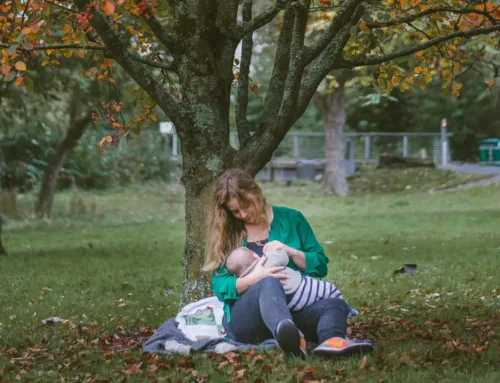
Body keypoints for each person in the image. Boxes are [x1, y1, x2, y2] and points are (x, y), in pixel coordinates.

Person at [203, 168, 373, 357]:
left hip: (294, 313)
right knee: (268, 281)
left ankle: (330, 341)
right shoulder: (229, 232)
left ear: (256, 192)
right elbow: (219, 285)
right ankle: (289, 337)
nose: (242, 214)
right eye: (235, 211)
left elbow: (320, 265)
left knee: (335, 303)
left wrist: (290, 251)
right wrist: (255, 278)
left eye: (246, 205)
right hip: (248, 320)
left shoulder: (292, 218)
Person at [226, 247, 355, 312]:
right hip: (301, 288)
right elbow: (283, 257)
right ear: (255, 256)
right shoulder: (265, 261)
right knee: (329, 290)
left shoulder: (245, 280)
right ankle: (347, 310)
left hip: (290, 304)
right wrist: (273, 252)